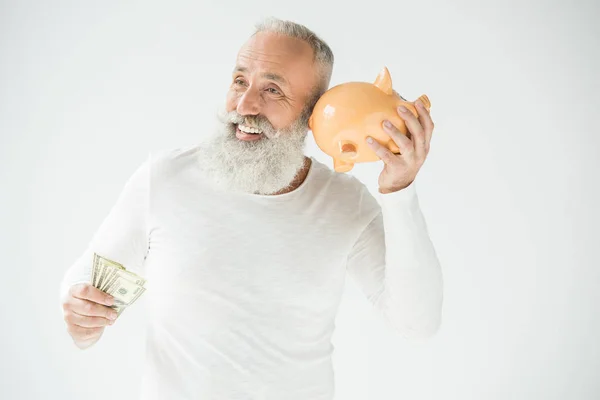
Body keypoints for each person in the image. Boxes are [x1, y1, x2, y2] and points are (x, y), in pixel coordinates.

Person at [59, 17, 443, 400]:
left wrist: (399, 192)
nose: (244, 105)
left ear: (314, 115)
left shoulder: (344, 202)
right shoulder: (162, 179)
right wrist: (81, 317)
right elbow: (83, 290)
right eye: (240, 81)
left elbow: (417, 323)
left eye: (272, 90)